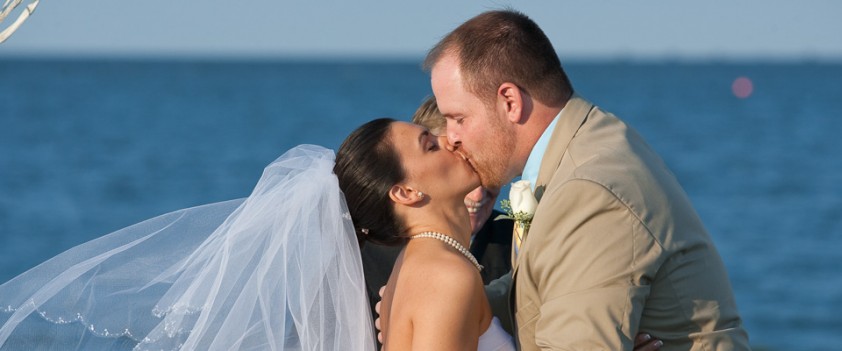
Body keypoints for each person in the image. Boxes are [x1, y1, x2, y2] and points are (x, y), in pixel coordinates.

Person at [424, 9, 751, 350]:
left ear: (510, 101)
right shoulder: (587, 145)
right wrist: (430, 309)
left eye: (458, 118)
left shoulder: (589, 189)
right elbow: (533, 292)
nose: (452, 138)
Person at [360, 97, 515, 339]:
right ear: (405, 191)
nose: (478, 194)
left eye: (484, 164)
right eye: (432, 146)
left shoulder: (514, 236)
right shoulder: (443, 273)